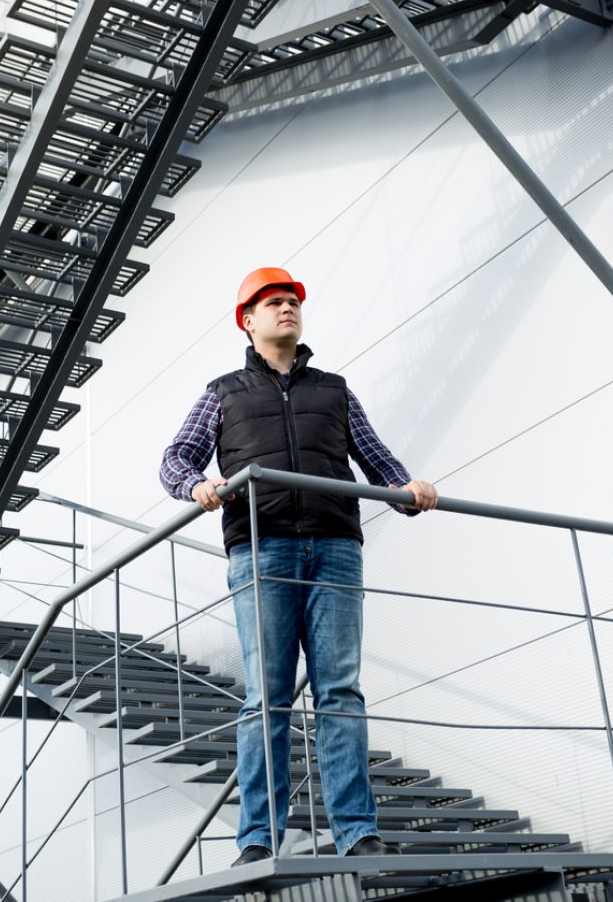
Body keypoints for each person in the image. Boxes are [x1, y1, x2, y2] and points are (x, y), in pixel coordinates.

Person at [160, 267, 437, 866]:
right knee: (268, 697)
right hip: (262, 550)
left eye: (292, 301)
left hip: (335, 547)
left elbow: (375, 456)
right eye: (273, 303)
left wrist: (405, 487)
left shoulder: (334, 390)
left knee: (340, 691)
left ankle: (356, 831)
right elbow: (174, 458)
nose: (286, 308)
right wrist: (198, 485)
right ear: (248, 320)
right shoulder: (224, 392)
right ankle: (260, 840)